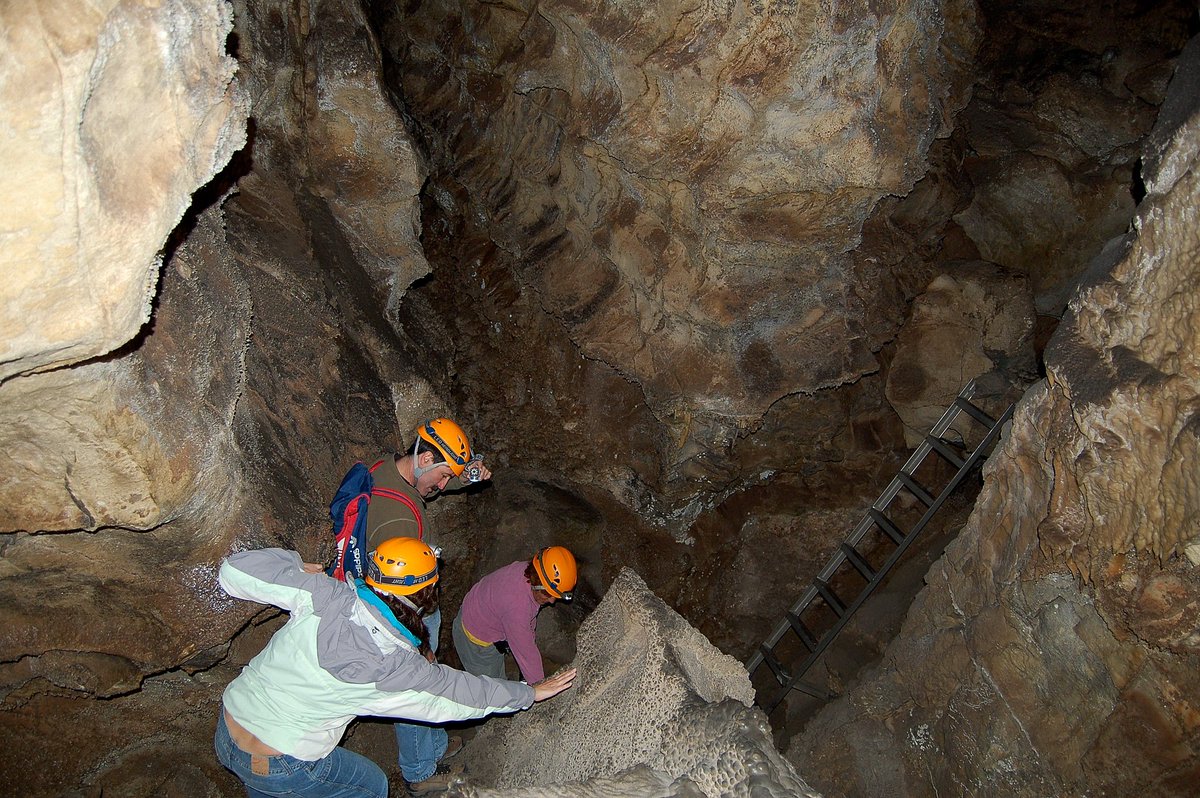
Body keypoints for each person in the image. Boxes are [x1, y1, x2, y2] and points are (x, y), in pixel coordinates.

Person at [214, 537, 576, 798]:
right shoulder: (395, 668)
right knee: (373, 786)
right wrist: (530, 691)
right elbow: (463, 694)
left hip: (229, 724)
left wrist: (292, 564)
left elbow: (233, 570)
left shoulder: (324, 594)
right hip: (283, 761)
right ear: (425, 596)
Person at [357, 417, 493, 792]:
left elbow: (427, 486)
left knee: (427, 679)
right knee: (416, 684)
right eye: (444, 474)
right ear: (425, 457)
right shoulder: (398, 521)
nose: (445, 484)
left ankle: (434, 744)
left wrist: (468, 475)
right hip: (407, 611)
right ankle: (419, 773)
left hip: (414, 597)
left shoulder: (389, 469)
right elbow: (393, 599)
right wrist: (417, 643)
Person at [452, 546, 578, 684]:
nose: (552, 601)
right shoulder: (517, 606)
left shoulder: (529, 571)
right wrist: (541, 687)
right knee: (495, 693)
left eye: (557, 596)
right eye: (548, 594)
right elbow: (527, 654)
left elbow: (527, 628)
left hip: (477, 610)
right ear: (536, 583)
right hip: (476, 642)